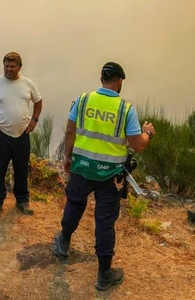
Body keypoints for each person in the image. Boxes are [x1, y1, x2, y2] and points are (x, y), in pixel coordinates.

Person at [51, 62, 155, 291]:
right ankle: (104, 274)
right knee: (105, 222)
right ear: (119, 82)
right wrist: (148, 133)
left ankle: (63, 244)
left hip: (82, 168)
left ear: (101, 79)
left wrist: (68, 158)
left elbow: (70, 131)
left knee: (74, 205)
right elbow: (138, 145)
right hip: (111, 175)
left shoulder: (83, 100)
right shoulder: (126, 109)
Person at [0, 52, 42, 221]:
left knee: (21, 169)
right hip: (1, 136)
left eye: (12, 66)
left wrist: (34, 120)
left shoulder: (27, 84)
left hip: (22, 136)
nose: (9, 69)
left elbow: (38, 100)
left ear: (19, 67)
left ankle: (22, 201)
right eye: (6, 66)